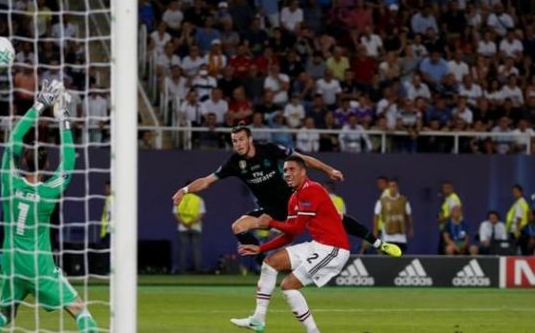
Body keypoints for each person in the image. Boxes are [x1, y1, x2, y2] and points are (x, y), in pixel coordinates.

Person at [171, 125, 400, 329]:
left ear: (250, 139)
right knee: (239, 227)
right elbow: (208, 180)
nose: (237, 144)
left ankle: (379, 242)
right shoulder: (234, 163)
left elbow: (302, 160)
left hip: (296, 206)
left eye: (241, 139)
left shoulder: (272, 152)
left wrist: (328, 170)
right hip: (271, 209)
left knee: (338, 216)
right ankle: (260, 297)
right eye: (234, 141)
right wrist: (186, 190)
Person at [0, 80, 98, 332]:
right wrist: (62, 116)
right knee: (80, 310)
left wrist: (40, 104)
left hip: (11, 263)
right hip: (39, 266)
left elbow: (14, 137)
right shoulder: (49, 191)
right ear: (46, 166)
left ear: (23, 159)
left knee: (3, 313)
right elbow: (69, 159)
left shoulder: (9, 181)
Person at [233, 155, 350, 333]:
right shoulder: (294, 198)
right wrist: (261, 248)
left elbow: (295, 229)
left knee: (288, 286)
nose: (287, 173)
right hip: (318, 244)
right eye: (285, 170)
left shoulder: (313, 190)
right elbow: (289, 234)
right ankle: (258, 319)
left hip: (334, 249)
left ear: (303, 172)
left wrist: (270, 222)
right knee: (270, 263)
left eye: (292, 169)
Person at [373, 178, 413, 253]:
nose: (392, 188)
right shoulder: (382, 200)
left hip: (401, 236)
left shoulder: (403, 200)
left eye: (394, 186)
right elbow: (376, 215)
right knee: (386, 258)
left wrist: (410, 228)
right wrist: (375, 231)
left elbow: (409, 214)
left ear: (397, 187)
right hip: (387, 236)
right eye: (390, 186)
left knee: (400, 257)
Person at [173, 181, 205, 273]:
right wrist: (191, 223)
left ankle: (182, 270)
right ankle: (198, 270)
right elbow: (201, 214)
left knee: (182, 250)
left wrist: (184, 223)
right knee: (196, 249)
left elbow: (176, 214)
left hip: (183, 227)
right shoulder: (198, 199)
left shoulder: (179, 198)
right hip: (195, 226)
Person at [505, 184, 530, 254]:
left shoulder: (520, 203)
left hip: (518, 231)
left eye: (516, 192)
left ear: (521, 192)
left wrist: (517, 232)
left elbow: (519, 218)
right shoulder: (522, 203)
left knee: (517, 252)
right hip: (521, 231)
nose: (514, 194)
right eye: (513, 192)